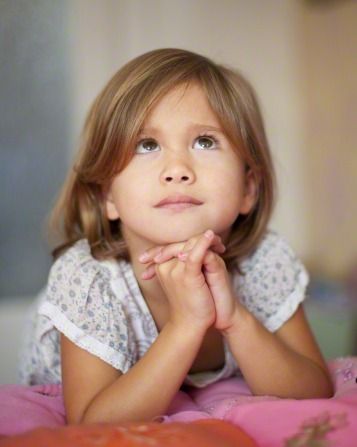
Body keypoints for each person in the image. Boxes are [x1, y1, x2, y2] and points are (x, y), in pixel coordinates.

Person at [18, 48, 333, 424]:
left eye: (205, 141)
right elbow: (92, 422)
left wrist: (234, 318)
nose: (177, 169)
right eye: (147, 145)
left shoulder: (263, 260)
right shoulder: (87, 279)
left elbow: (314, 389)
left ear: (248, 188)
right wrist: (185, 325)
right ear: (108, 196)